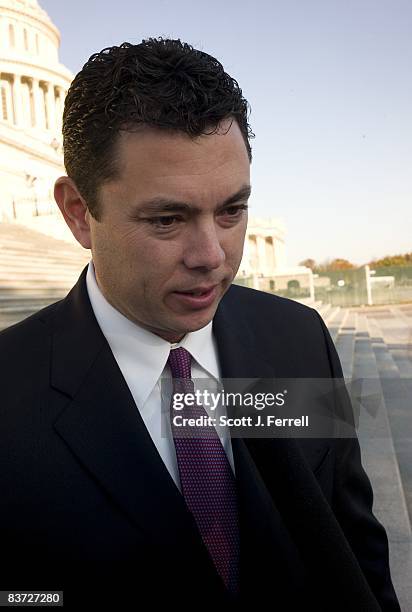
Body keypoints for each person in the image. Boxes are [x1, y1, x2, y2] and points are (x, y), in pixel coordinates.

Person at [0, 38, 400, 611]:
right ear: (79, 213)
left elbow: (352, 546)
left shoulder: (299, 338)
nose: (212, 255)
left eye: (232, 210)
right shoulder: (9, 392)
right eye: (167, 219)